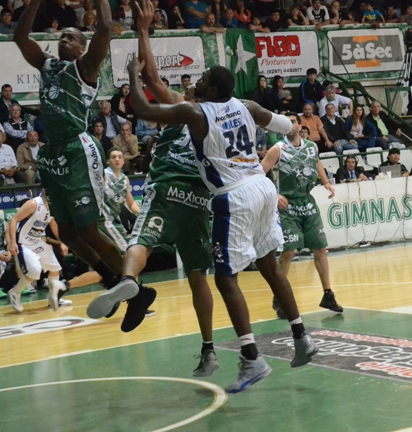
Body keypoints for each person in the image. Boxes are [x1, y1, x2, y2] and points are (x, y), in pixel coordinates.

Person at [93, 44, 316, 393]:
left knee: (226, 280)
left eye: (203, 78)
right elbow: (289, 126)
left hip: (234, 195)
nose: (196, 80)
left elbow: (144, 106)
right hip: (262, 186)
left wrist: (134, 76)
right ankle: (301, 337)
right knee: (270, 268)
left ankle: (252, 358)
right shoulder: (247, 105)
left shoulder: (196, 114)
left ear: (211, 90)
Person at [87, 0, 219, 378]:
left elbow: (153, 81)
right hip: (199, 200)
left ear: (202, 93)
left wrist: (143, 31)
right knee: (198, 277)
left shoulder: (184, 107)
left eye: (199, 82)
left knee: (138, 244)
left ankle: (129, 283)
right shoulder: (224, 118)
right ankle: (209, 349)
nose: (193, 82)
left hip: (167, 189)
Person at [12, 0, 123, 286]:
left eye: (72, 37)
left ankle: (132, 281)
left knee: (89, 230)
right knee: (70, 235)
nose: (64, 38)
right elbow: (20, 37)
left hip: (78, 149)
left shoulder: (85, 68)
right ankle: (111, 280)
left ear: (81, 48)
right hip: (53, 153)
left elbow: (105, 26)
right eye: (62, 35)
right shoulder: (48, 65)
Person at [261, 113, 341, 316]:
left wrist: (325, 182)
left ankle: (328, 294)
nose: (289, 124)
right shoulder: (277, 149)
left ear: (300, 125)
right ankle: (279, 296)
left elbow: (317, 163)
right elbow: (258, 174)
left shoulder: (311, 146)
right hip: (287, 205)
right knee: (288, 252)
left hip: (307, 201)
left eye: (293, 121)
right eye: (285, 122)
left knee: (320, 248)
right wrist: (275, 194)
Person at [5, 193, 74, 312]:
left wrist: (61, 242)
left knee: (55, 267)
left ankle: (54, 299)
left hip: (37, 242)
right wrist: (12, 242)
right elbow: (13, 220)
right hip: (23, 242)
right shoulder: (33, 204)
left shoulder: (52, 205)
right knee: (34, 271)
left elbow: (53, 224)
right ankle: (15, 293)